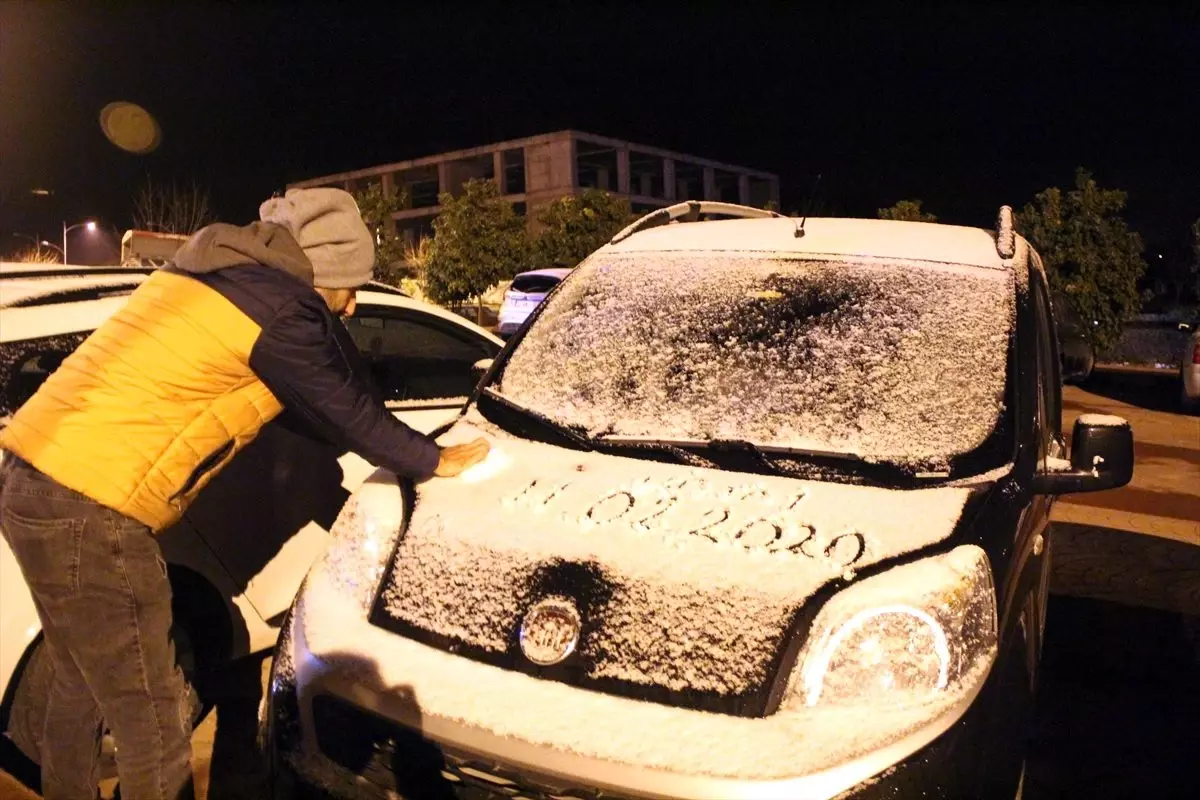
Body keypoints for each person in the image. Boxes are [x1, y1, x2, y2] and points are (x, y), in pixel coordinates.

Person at [0, 188, 489, 799]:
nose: (355, 302)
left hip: (27, 476)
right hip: (92, 506)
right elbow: (349, 411)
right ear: (326, 269)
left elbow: (283, 402)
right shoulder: (285, 309)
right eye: (352, 283)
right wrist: (433, 458)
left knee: (78, 680)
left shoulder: (213, 274)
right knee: (152, 715)